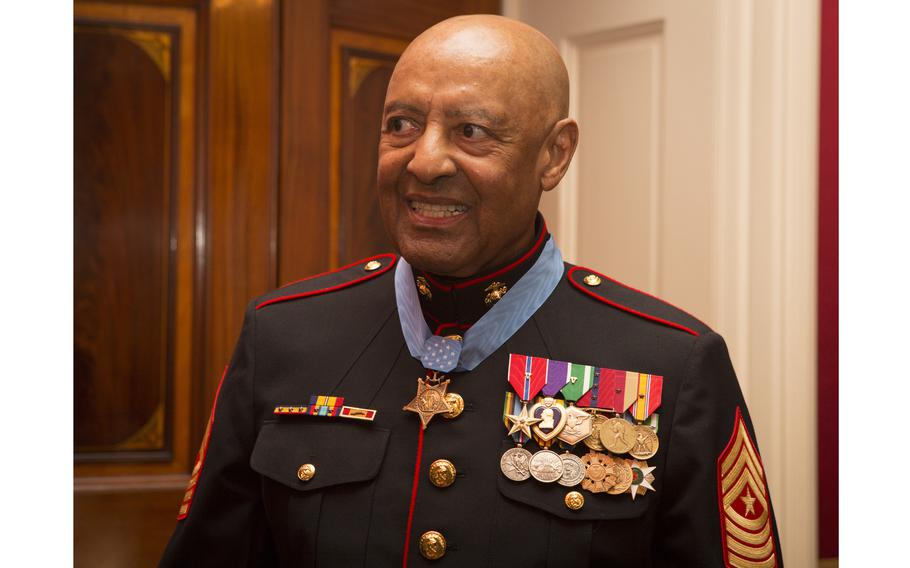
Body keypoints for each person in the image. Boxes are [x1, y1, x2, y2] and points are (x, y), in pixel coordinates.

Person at [161, 14, 782, 567]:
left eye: (472, 131)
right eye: (401, 124)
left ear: (555, 155)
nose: (424, 161)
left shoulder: (672, 363)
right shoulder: (284, 333)